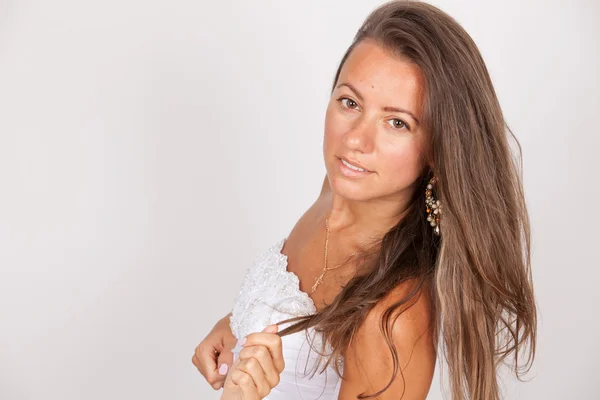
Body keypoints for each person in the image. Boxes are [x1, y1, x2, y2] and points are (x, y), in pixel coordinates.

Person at [192, 1, 537, 399]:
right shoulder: (337, 189)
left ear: (439, 152)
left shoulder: (393, 320)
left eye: (397, 123)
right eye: (350, 102)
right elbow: (286, 302)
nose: (355, 140)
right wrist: (238, 324)